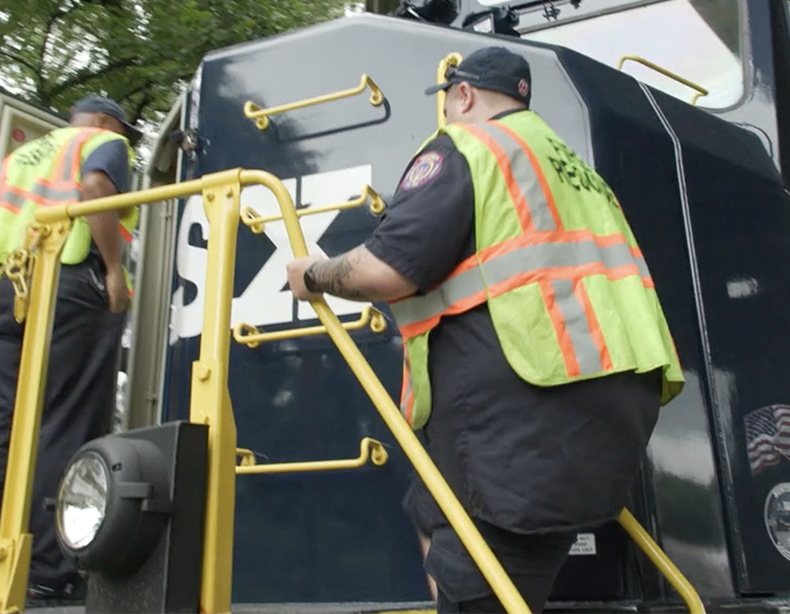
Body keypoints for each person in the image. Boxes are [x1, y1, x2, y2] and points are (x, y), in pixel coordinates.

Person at [285, 47, 685, 613]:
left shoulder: (469, 146)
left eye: (448, 101)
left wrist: (314, 275)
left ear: (465, 95)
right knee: (432, 507)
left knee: (482, 591)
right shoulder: (576, 171)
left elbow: (387, 270)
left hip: (522, 418)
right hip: (611, 412)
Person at [0, 95, 143, 611]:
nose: (127, 139)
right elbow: (96, 187)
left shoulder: (18, 159)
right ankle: (49, 576)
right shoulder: (103, 143)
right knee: (67, 421)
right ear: (101, 121)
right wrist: (114, 270)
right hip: (68, 284)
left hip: (5, 290)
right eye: (124, 128)